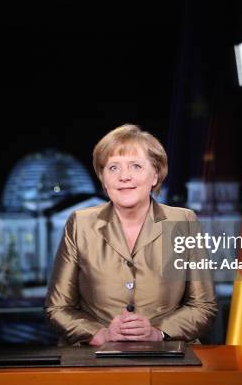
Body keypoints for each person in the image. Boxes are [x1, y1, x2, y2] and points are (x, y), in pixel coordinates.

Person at [45, 124, 217, 346]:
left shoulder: (182, 223)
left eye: (135, 166)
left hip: (168, 359)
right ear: (103, 179)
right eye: (113, 168)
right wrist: (100, 334)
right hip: (93, 361)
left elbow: (203, 306)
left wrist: (158, 333)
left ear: (155, 175)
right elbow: (57, 308)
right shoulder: (80, 223)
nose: (124, 176)